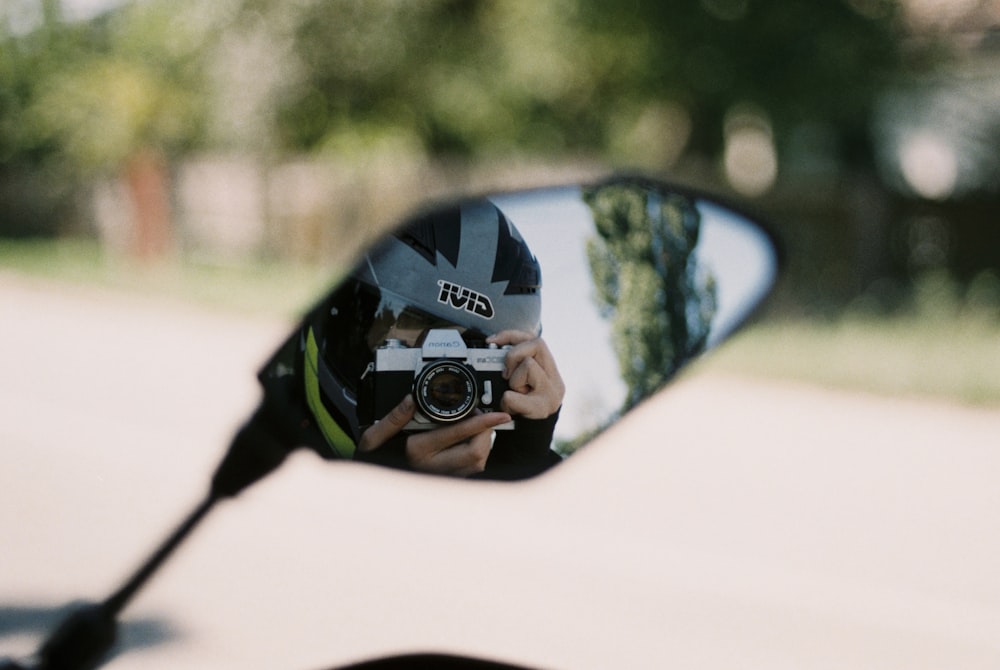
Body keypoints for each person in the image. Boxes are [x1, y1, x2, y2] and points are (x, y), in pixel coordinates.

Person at [261, 198, 564, 480]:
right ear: (338, 312)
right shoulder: (263, 431)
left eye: (471, 357)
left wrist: (522, 465)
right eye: (405, 336)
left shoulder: (490, 466)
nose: (439, 379)